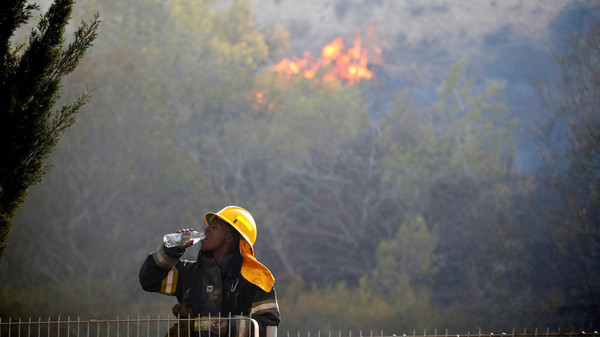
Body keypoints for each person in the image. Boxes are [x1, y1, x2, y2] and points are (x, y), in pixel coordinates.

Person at [139, 206, 280, 337]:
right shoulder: (189, 273)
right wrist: (171, 251)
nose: (206, 229)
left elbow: (269, 325)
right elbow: (149, 280)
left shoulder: (254, 280)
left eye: (214, 227)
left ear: (229, 237)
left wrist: (231, 327)